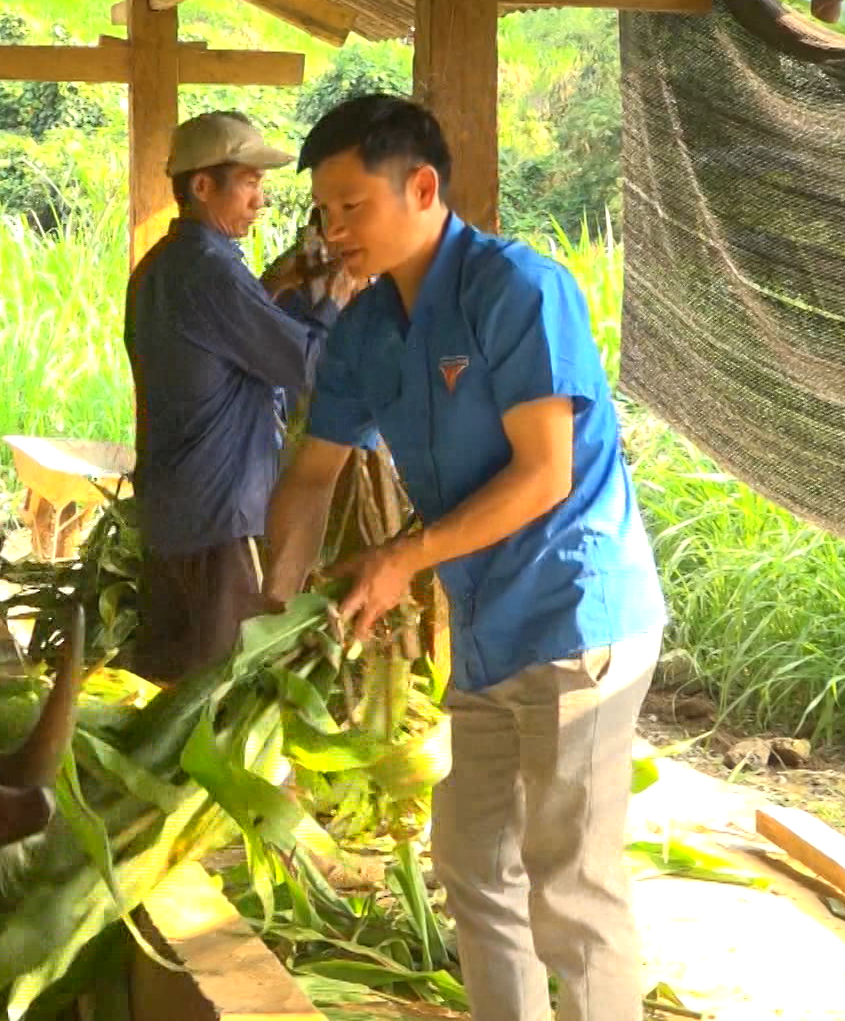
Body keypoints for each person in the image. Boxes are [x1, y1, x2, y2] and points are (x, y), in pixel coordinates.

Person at [262, 94, 667, 1021]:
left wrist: (401, 558)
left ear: (424, 188)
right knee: (476, 860)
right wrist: (272, 605)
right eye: (323, 212)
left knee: (570, 884)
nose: (333, 232)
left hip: (577, 616)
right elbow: (311, 475)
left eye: (352, 207)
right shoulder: (366, 331)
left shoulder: (517, 290)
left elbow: (543, 476)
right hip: (488, 631)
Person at [123, 110, 340, 685]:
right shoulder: (211, 271)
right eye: (249, 183)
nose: (259, 201)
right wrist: (339, 293)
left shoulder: (163, 267)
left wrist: (276, 283)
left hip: (172, 511)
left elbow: (220, 349)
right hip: (220, 516)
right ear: (201, 186)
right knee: (218, 692)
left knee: (167, 683)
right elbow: (308, 364)